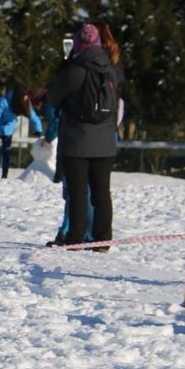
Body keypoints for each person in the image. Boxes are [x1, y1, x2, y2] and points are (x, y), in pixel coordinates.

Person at [45, 23, 123, 248]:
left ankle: (75, 238)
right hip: (105, 143)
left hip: (76, 141)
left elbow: (52, 98)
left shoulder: (75, 70)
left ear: (79, 43)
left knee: (78, 192)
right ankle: (103, 239)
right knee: (101, 192)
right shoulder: (111, 71)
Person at [0, 85, 41, 179]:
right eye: (23, 98)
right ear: (18, 97)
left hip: (8, 128)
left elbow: (33, 116)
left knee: (6, 152)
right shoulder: (3, 102)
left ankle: (4, 175)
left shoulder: (25, 102)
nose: (25, 100)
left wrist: (38, 129)